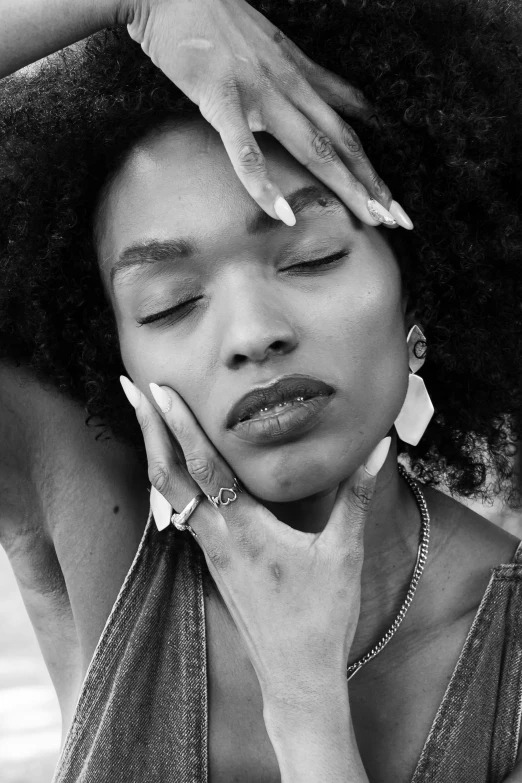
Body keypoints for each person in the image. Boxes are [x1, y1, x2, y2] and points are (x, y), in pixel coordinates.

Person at [1, 0, 522, 781]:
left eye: (309, 257)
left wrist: (304, 695)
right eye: (170, 302)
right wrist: (135, 3)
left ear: (419, 290)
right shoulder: (93, 531)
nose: (252, 333)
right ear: (112, 351)